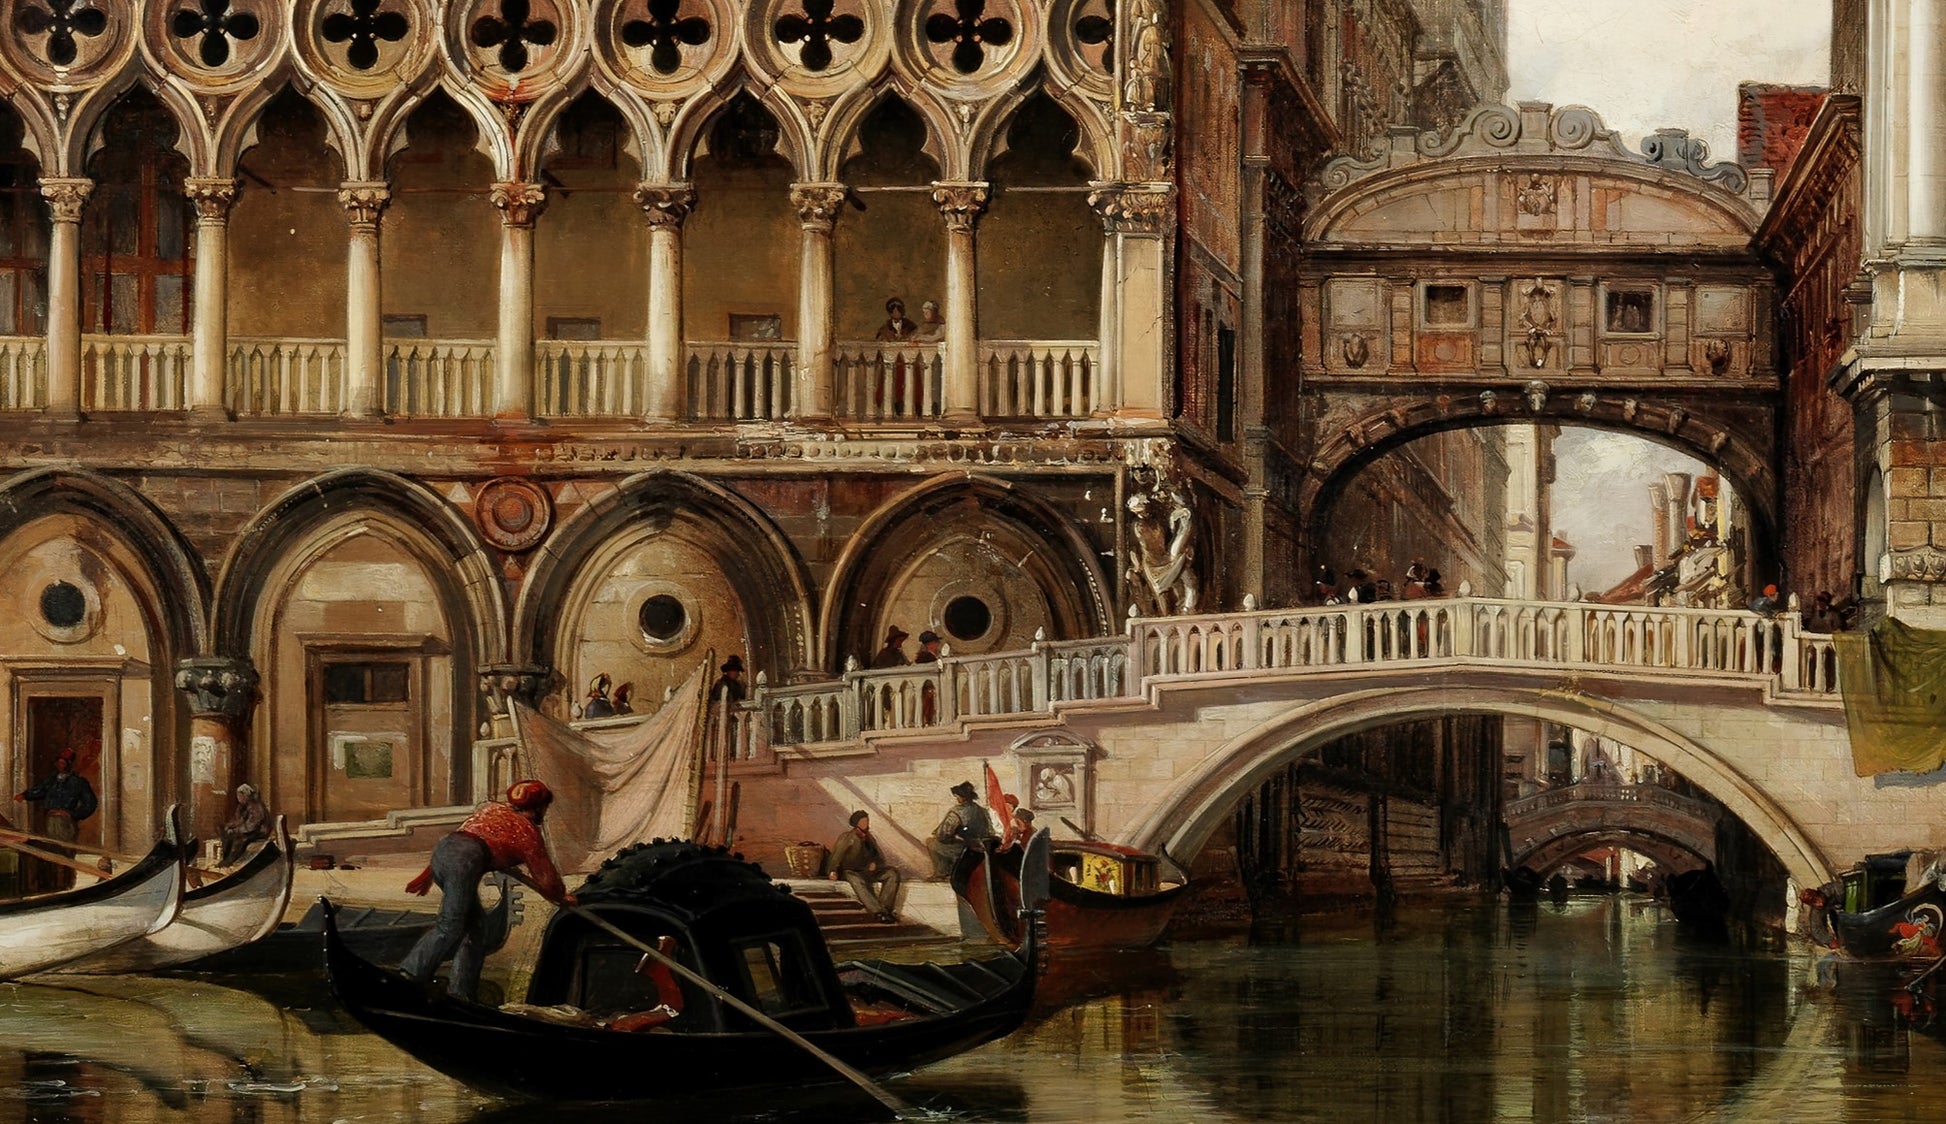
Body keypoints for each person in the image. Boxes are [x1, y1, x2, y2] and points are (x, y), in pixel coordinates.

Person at [400, 780, 575, 1002]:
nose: (545, 811)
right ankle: (410, 975)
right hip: (463, 862)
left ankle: (462, 993)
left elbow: (473, 839)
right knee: (451, 924)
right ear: (538, 807)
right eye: (545, 807)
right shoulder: (526, 832)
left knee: (476, 930)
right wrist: (561, 897)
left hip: (444, 854)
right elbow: (546, 878)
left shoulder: (492, 809)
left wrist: (499, 860)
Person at [16, 748, 97, 892]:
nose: (60, 765)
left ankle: (68, 882)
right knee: (53, 850)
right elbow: (40, 790)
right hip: (51, 820)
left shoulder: (78, 782)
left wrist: (73, 814)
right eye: (58, 763)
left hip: (66, 823)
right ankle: (56, 883)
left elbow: (90, 803)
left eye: (63, 763)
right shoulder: (52, 780)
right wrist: (25, 795)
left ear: (69, 764)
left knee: (66, 851)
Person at [828, 810, 901, 923]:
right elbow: (836, 856)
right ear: (856, 823)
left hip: (868, 872)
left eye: (867, 820)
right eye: (863, 821)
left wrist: (875, 864)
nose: (866, 823)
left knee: (892, 873)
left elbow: (879, 857)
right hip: (852, 871)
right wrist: (832, 870)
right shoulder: (847, 837)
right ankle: (877, 912)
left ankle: (885, 910)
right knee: (856, 880)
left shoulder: (870, 838)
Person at [928, 780, 994, 877]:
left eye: (958, 796)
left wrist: (954, 838)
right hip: (982, 846)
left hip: (965, 848)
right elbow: (990, 831)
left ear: (963, 797)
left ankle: (942, 873)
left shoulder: (957, 812)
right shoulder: (983, 811)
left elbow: (943, 835)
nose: (957, 798)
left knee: (932, 843)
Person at [219, 782, 271, 866]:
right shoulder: (242, 806)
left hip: (259, 831)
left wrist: (237, 830)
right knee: (227, 834)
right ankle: (226, 859)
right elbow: (239, 820)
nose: (238, 798)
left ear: (246, 795)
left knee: (240, 839)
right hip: (248, 829)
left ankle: (230, 861)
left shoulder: (254, 805)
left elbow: (253, 823)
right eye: (238, 795)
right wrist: (229, 826)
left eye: (240, 795)